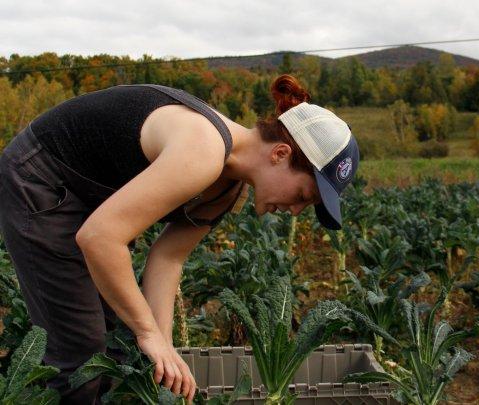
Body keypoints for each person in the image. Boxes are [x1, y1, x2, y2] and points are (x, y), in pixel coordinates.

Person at [0, 75, 360, 403]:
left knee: (116, 352)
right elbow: (100, 237)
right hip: (40, 178)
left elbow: (167, 260)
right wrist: (148, 332)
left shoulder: (227, 190)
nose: (296, 211)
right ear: (280, 155)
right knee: (81, 353)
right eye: (303, 196)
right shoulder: (204, 149)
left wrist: (164, 347)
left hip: (88, 198)